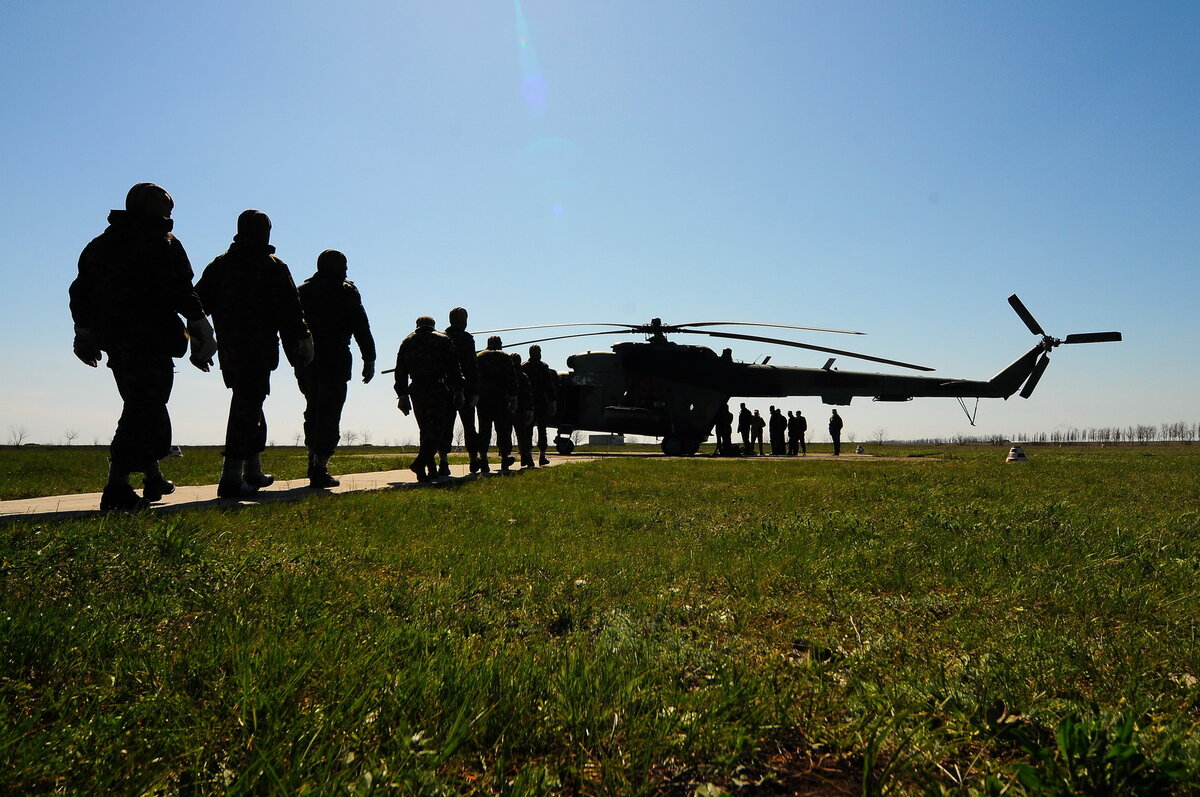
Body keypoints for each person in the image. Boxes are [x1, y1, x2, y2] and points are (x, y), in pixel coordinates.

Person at [69, 183, 216, 510]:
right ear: (157, 211)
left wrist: (85, 333)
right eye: (167, 210)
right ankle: (117, 486)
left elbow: (81, 293)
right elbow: (181, 288)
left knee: (141, 404)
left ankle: (152, 476)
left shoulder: (100, 245)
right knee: (144, 406)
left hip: (117, 341)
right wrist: (200, 323)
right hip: (152, 340)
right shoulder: (163, 243)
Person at [196, 209, 312, 498]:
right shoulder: (271, 265)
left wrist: (200, 340)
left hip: (230, 351)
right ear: (265, 232)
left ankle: (252, 470)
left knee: (251, 405)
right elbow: (290, 310)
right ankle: (232, 476)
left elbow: (197, 303)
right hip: (257, 349)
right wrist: (302, 340)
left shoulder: (220, 265)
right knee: (246, 408)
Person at [294, 249, 376, 488]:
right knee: (330, 411)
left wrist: (294, 356)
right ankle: (319, 466)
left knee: (313, 407)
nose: (348, 270)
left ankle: (314, 458)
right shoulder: (345, 290)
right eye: (345, 265)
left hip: (307, 359)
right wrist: (369, 357)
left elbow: (290, 326)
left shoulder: (302, 291)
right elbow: (361, 325)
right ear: (336, 266)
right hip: (335, 358)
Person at [393, 315, 463, 482]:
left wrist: (402, 395)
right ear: (433, 325)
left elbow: (400, 371)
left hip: (416, 389)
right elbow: (454, 367)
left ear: (417, 325)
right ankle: (420, 464)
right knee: (436, 430)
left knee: (424, 429)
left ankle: (429, 470)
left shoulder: (407, 342)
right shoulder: (443, 340)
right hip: (437, 388)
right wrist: (459, 389)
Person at [442, 307, 480, 474]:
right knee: (469, 427)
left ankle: (443, 461)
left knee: (446, 425)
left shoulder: (441, 338)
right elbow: (472, 367)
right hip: (466, 389)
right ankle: (473, 460)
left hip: (445, 388)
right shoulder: (466, 339)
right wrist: (475, 391)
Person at [475, 335, 518, 472]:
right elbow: (511, 379)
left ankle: (483, 459)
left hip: (483, 399)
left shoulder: (479, 357)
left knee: (484, 429)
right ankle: (504, 459)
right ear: (500, 344)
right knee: (502, 429)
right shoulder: (505, 357)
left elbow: (474, 377)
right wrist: (513, 398)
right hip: (500, 399)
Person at [523, 344, 558, 465]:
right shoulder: (543, 367)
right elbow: (549, 386)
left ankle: (528, 456)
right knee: (542, 429)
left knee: (528, 430)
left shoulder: (524, 367)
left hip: (528, 402)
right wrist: (553, 401)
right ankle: (542, 456)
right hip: (541, 402)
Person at [511, 352, 536, 468]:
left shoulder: (507, 376)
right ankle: (526, 457)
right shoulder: (523, 376)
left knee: (506, 433)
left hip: (509, 410)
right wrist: (530, 409)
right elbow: (528, 395)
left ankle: (505, 458)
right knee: (523, 436)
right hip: (521, 410)